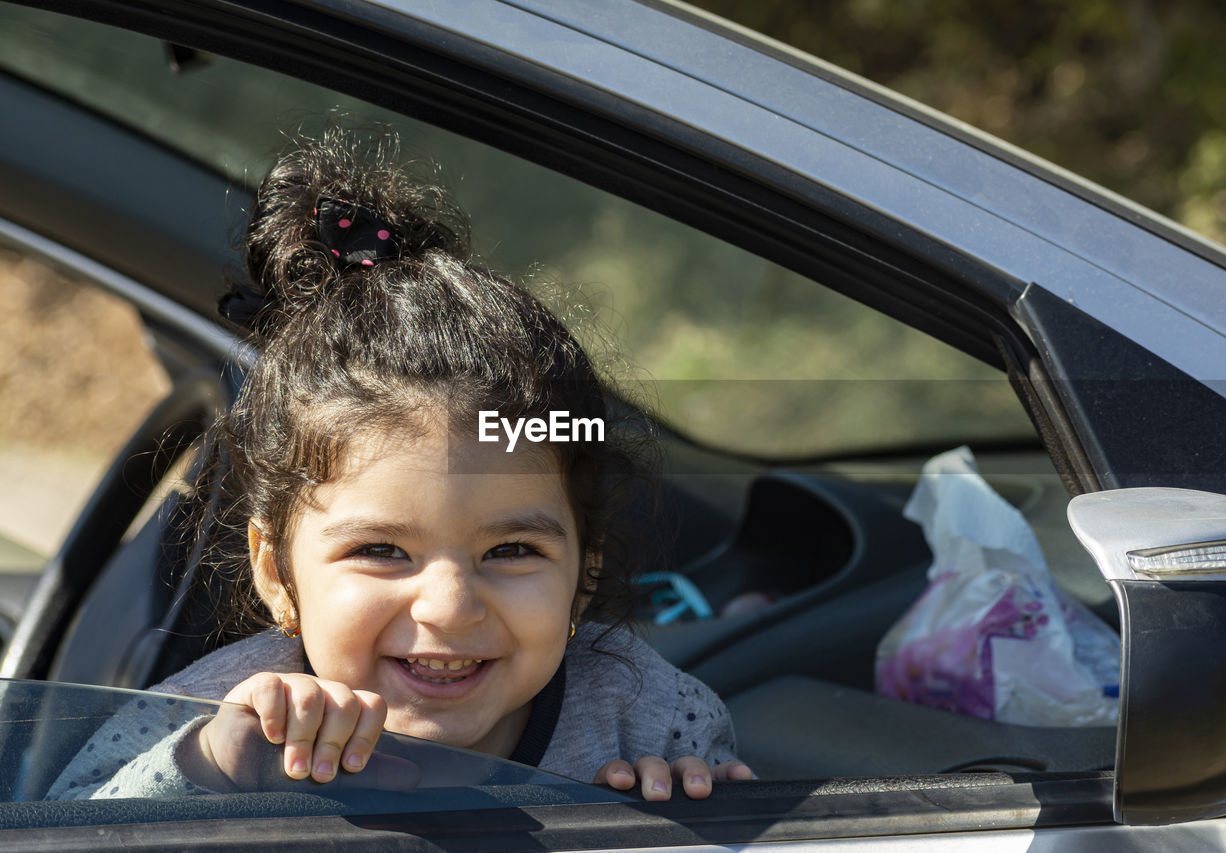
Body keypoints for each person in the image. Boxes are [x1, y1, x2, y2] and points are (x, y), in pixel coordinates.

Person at [47, 129, 751, 801]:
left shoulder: (644, 714)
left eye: (512, 549)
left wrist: (688, 804)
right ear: (276, 573)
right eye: (380, 549)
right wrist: (212, 771)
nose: (449, 606)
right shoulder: (220, 719)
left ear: (586, 567)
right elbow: (61, 827)